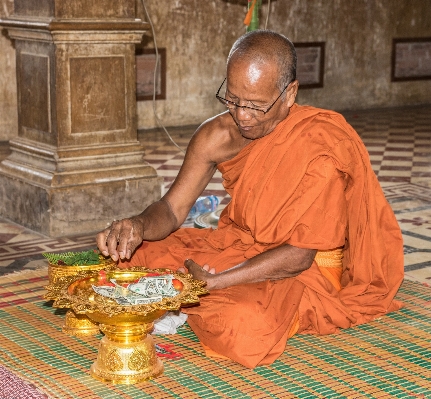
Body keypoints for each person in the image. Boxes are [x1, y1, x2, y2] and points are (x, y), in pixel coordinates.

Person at [97, 30, 404, 369]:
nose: (242, 115)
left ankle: (188, 302)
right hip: (239, 246)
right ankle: (185, 301)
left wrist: (215, 282)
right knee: (128, 258)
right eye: (232, 99)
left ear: (289, 94)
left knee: (244, 327)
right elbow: (172, 209)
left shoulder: (320, 145)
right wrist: (138, 225)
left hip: (302, 270)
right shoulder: (216, 136)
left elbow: (299, 256)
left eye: (256, 106)